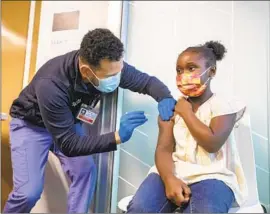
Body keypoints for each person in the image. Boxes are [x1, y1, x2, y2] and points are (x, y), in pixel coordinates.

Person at [3, 28, 176, 213]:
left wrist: (164, 96)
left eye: (119, 71)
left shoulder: (111, 66)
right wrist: (117, 136)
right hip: (32, 126)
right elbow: (69, 144)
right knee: (28, 192)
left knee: (85, 170)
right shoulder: (52, 83)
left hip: (68, 122)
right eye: (110, 76)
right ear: (86, 71)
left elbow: (146, 82)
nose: (116, 79)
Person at [127, 41, 248, 213]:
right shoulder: (171, 108)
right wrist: (169, 179)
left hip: (213, 176)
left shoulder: (223, 105)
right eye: (179, 70)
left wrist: (186, 113)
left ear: (211, 71)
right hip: (173, 171)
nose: (184, 75)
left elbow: (212, 144)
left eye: (191, 68)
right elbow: (163, 149)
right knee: (140, 208)